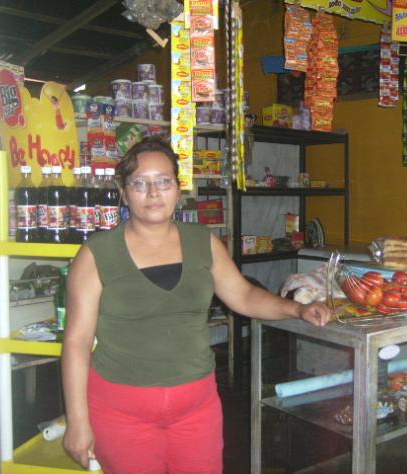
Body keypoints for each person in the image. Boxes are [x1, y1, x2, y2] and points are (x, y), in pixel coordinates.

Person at [61, 137, 331, 474]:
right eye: (140, 183)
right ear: (124, 192)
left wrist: (297, 309)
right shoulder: (96, 253)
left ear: (178, 188)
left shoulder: (203, 242)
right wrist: (77, 420)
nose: (153, 192)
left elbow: (244, 295)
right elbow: (77, 342)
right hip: (121, 413)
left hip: (196, 410)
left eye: (163, 181)